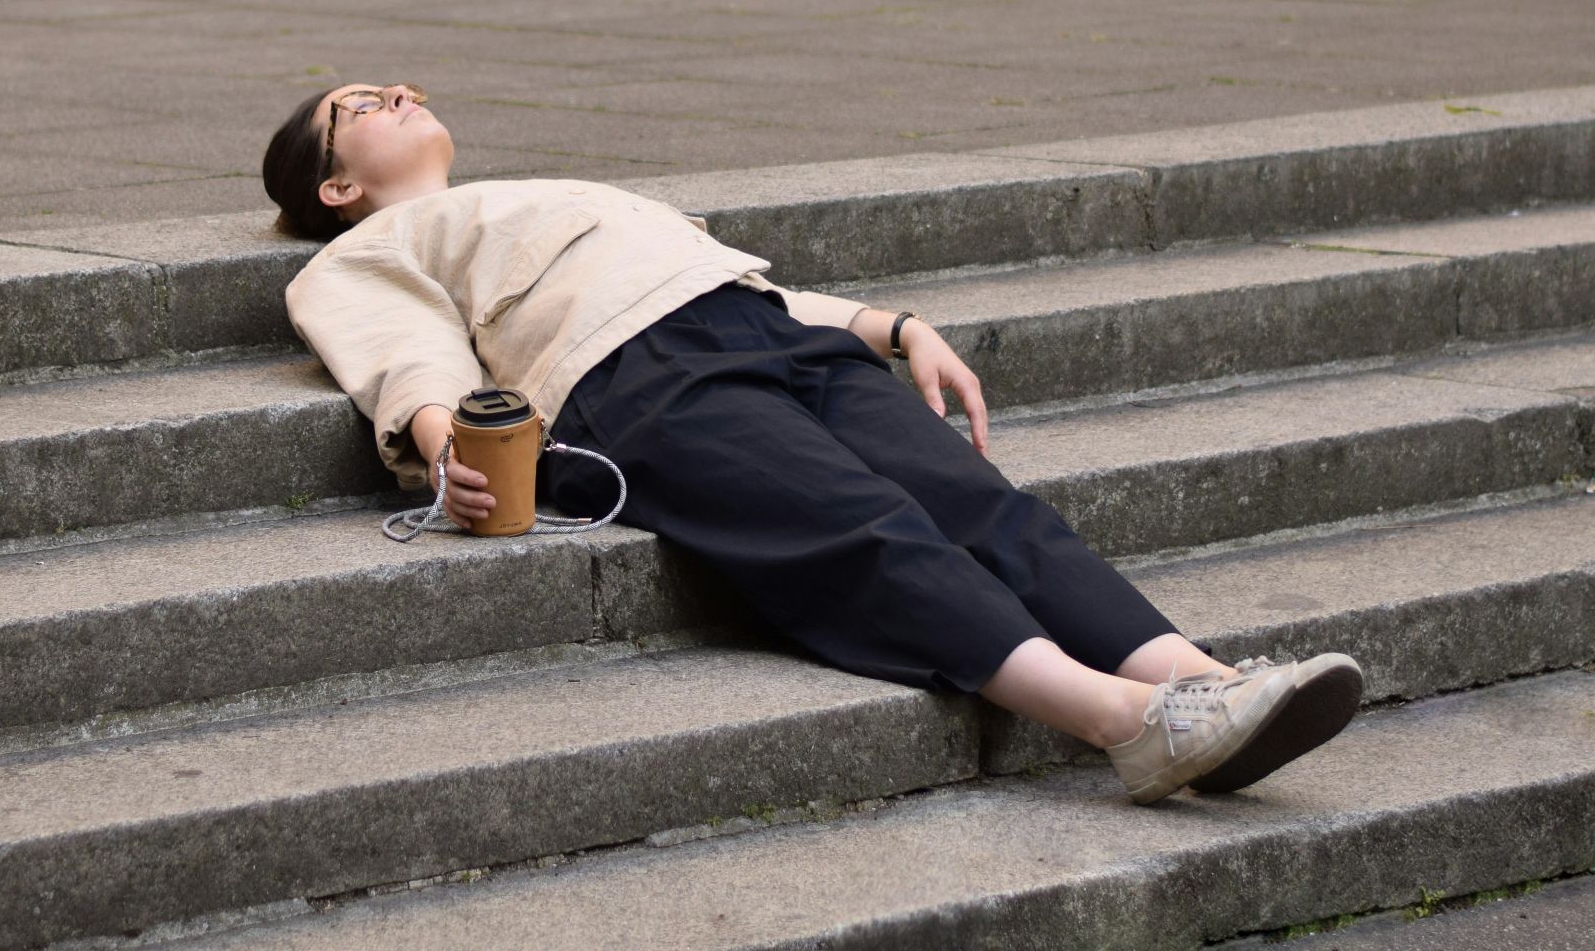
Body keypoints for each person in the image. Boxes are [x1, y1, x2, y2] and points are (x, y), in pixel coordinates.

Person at [263, 82, 1364, 806]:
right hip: (630, 377)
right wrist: (443, 435)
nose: (398, 91)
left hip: (761, 330)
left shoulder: (550, 189)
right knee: (866, 533)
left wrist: (895, 327)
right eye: (359, 105)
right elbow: (402, 351)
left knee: (985, 507)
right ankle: (1128, 722)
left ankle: (1207, 681)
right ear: (337, 184)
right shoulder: (364, 251)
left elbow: (745, 282)